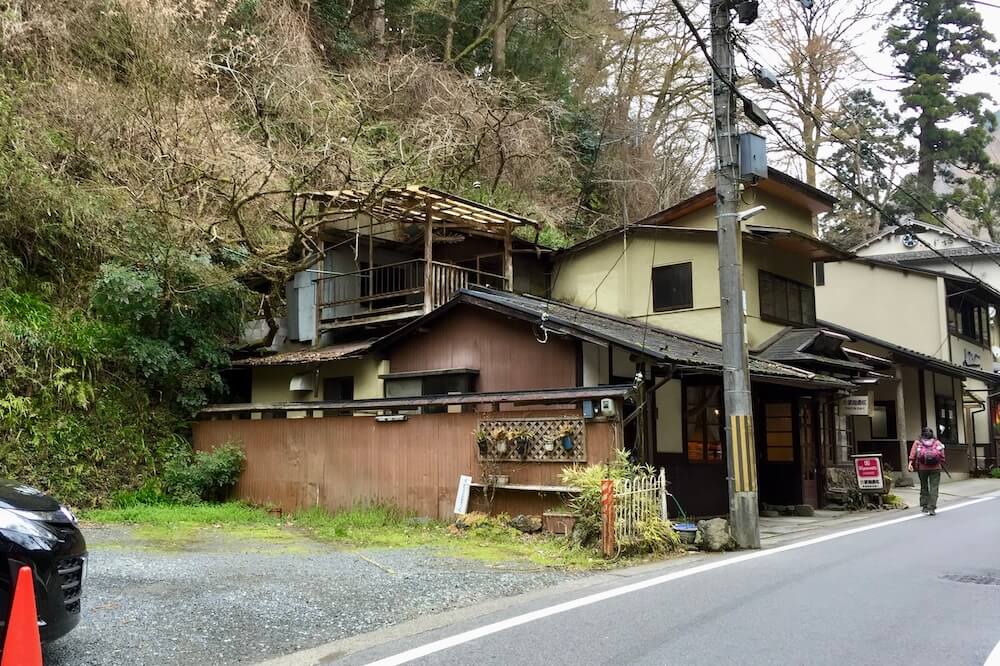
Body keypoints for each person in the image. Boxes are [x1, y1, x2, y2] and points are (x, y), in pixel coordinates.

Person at [908, 426, 946, 515]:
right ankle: (932, 507)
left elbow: (913, 454)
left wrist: (910, 464)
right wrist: (941, 462)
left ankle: (925, 506)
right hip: (935, 468)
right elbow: (942, 455)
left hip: (922, 468)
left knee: (924, 486)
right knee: (934, 488)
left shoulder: (918, 442)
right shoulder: (937, 442)